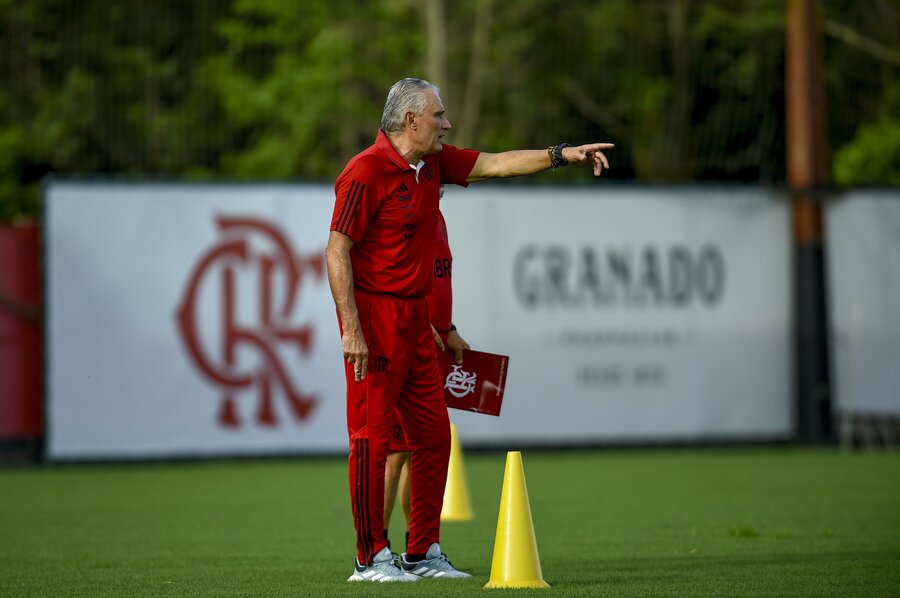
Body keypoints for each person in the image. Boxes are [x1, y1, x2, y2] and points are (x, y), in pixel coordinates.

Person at [326, 77, 613, 583]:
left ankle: (421, 552)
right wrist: (352, 329)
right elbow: (337, 250)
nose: (447, 123)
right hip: (375, 320)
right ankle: (369, 558)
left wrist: (561, 154)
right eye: (438, 115)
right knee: (372, 440)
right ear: (410, 120)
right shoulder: (363, 172)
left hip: (417, 322)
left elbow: (499, 163)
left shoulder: (433, 163)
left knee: (434, 437)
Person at [383, 185, 469, 559]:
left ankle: (414, 547)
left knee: (419, 451)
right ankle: (375, 549)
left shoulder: (438, 220)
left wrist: (448, 330)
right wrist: (420, 324)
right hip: (406, 345)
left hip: (432, 347)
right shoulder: (404, 222)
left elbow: (437, 281)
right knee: (394, 454)